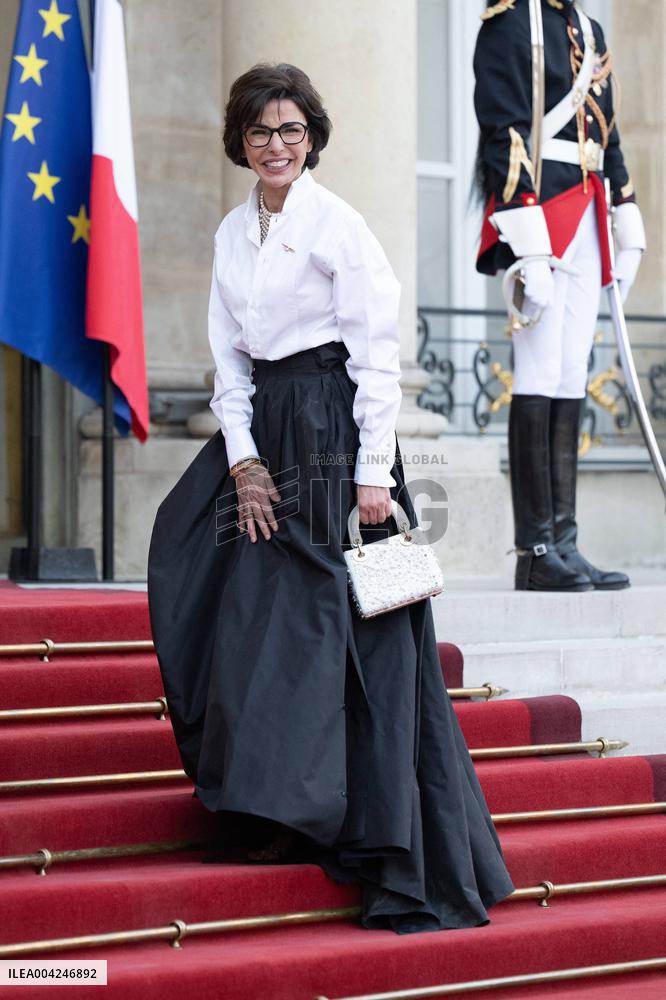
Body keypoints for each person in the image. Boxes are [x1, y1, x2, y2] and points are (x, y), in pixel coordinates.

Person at [147, 62, 514, 934]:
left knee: (342, 632)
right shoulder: (231, 234)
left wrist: (372, 479)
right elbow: (228, 362)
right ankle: (270, 808)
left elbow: (376, 356)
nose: (276, 145)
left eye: (291, 130)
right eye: (261, 131)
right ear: (241, 140)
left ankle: (361, 827)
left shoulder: (339, 225)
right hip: (261, 438)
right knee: (203, 577)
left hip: (334, 435)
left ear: (311, 137)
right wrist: (241, 464)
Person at [473, 0, 646, 591]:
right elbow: (503, 130)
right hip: (542, 216)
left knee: (572, 372)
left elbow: (608, 130)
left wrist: (627, 211)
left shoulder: (589, 29)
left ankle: (565, 541)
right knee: (540, 371)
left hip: (590, 213)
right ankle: (536, 547)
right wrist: (527, 239)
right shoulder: (509, 21)